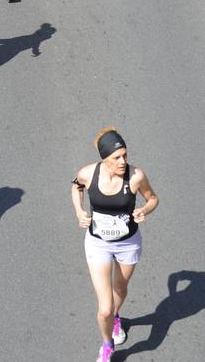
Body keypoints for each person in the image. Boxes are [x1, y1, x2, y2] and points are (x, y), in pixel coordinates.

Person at [71, 128, 159, 362]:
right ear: (104, 159)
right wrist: (79, 211)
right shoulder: (88, 174)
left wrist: (144, 210)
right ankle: (107, 345)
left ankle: (117, 318)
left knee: (119, 289)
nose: (123, 162)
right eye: (116, 158)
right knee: (104, 308)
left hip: (127, 244)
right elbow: (76, 187)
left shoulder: (136, 176)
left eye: (125, 155)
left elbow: (153, 199)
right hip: (98, 243)